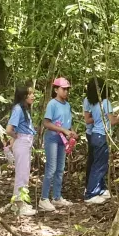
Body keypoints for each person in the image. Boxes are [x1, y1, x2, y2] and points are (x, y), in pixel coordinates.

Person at [39, 78, 76, 212]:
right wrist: (62, 130)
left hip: (63, 140)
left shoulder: (67, 105)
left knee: (60, 168)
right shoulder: (52, 104)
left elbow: (67, 122)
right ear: (56, 90)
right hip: (53, 138)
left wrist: (72, 132)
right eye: (63, 89)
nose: (66, 91)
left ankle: (57, 197)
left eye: (67, 89)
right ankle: (43, 199)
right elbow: (47, 123)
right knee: (51, 168)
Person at [84, 78, 119, 204]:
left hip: (94, 134)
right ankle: (90, 194)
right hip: (101, 136)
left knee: (97, 164)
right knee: (99, 166)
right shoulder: (105, 102)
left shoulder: (94, 104)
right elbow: (112, 121)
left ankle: (98, 189)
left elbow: (95, 119)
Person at [6, 84, 37, 216]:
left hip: (26, 142)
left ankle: (17, 204)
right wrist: (16, 137)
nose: (33, 96)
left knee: (23, 173)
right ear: (24, 96)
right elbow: (9, 130)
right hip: (22, 142)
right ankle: (20, 205)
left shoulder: (24, 109)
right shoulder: (18, 109)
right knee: (22, 175)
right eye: (30, 94)